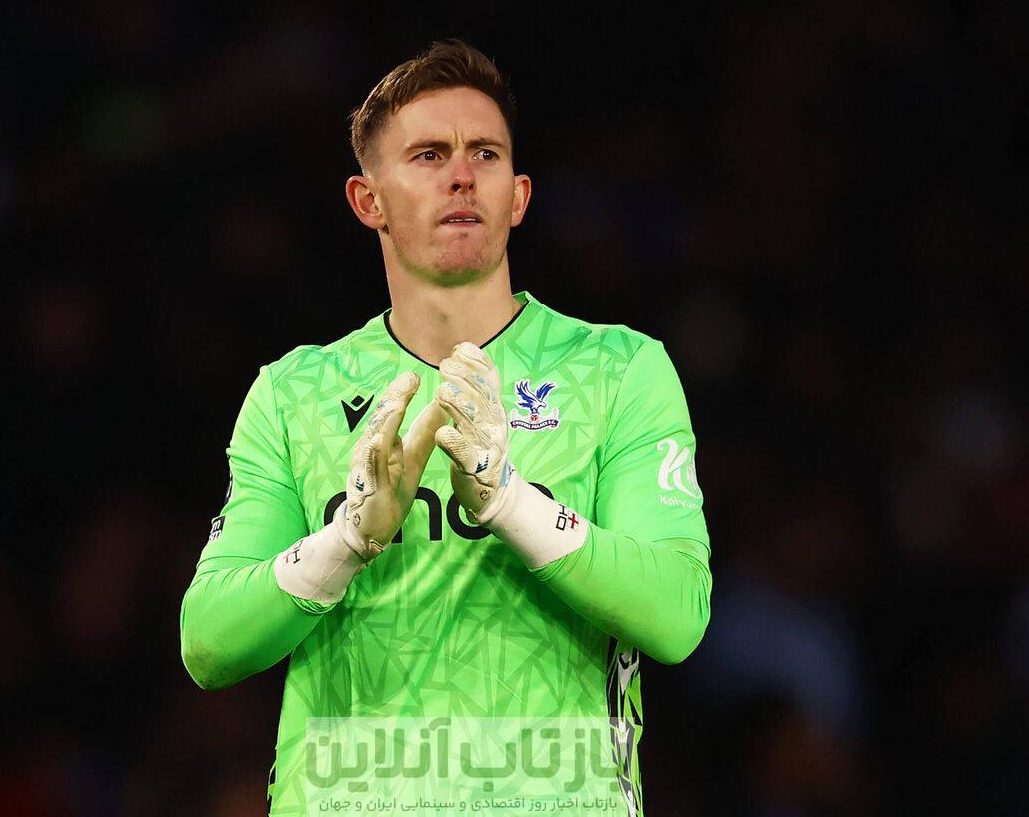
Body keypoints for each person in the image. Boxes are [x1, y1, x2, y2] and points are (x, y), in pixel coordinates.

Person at [179, 40, 712, 815]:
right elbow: (210, 642)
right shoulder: (292, 393)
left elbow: (675, 616)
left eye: (484, 154)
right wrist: (347, 540)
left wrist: (510, 502)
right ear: (369, 201)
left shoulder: (620, 369)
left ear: (518, 196)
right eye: (429, 155)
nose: (462, 175)